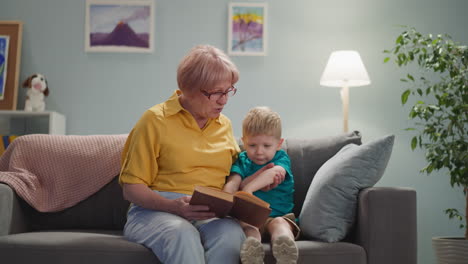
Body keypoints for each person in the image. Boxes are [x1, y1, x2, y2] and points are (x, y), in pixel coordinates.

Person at [119, 44, 245, 264]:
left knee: (232, 236)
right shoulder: (155, 120)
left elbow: (237, 169)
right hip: (155, 211)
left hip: (209, 213)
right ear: (190, 89)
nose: (224, 100)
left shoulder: (224, 125)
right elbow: (131, 189)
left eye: (228, 91)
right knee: (181, 233)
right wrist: (173, 207)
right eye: (216, 93)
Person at [224, 106, 300, 264]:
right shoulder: (242, 160)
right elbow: (233, 182)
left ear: (279, 144)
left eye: (266, 146)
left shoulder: (281, 158)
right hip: (251, 218)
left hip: (279, 216)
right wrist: (224, 199)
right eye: (252, 145)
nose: (259, 151)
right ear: (243, 141)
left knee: (279, 224)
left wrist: (248, 190)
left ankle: (285, 249)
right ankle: (253, 252)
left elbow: (272, 174)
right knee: (248, 228)